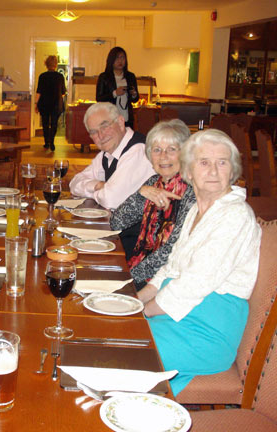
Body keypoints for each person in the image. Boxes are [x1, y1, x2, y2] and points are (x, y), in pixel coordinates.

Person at [138, 129, 261, 396]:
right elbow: (171, 269)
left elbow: (194, 285)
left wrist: (141, 313)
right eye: (204, 162)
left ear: (233, 170)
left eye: (222, 162)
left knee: (124, 349)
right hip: (179, 316)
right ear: (189, 171)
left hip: (206, 331)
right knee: (112, 339)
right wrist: (135, 301)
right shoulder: (197, 209)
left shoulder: (235, 216)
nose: (214, 171)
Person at [111, 120, 196, 289]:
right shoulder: (154, 182)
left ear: (185, 154)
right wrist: (141, 194)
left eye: (172, 149)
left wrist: (128, 278)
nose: (163, 156)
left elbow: (171, 252)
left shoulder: (191, 192)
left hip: (163, 282)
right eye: (157, 150)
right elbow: (116, 223)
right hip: (136, 266)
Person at [69, 102, 155, 209]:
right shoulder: (107, 153)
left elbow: (111, 200)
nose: (101, 135)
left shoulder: (138, 150)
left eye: (104, 127)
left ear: (120, 123)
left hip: (141, 225)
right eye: (94, 132)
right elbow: (74, 184)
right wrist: (99, 185)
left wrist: (98, 191)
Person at [96, 46, 139, 128]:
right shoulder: (104, 77)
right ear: (111, 60)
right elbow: (99, 98)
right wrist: (115, 93)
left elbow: (135, 99)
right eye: (117, 58)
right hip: (110, 117)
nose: (120, 61)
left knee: (127, 139)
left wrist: (134, 94)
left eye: (122, 58)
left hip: (127, 117)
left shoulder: (130, 76)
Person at [35, 55, 66, 151]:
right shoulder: (60, 77)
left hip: (44, 103)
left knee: (45, 123)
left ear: (46, 64)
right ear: (56, 65)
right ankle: (52, 142)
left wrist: (36, 104)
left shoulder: (42, 76)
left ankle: (46, 142)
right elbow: (63, 93)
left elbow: (39, 92)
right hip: (56, 103)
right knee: (54, 124)